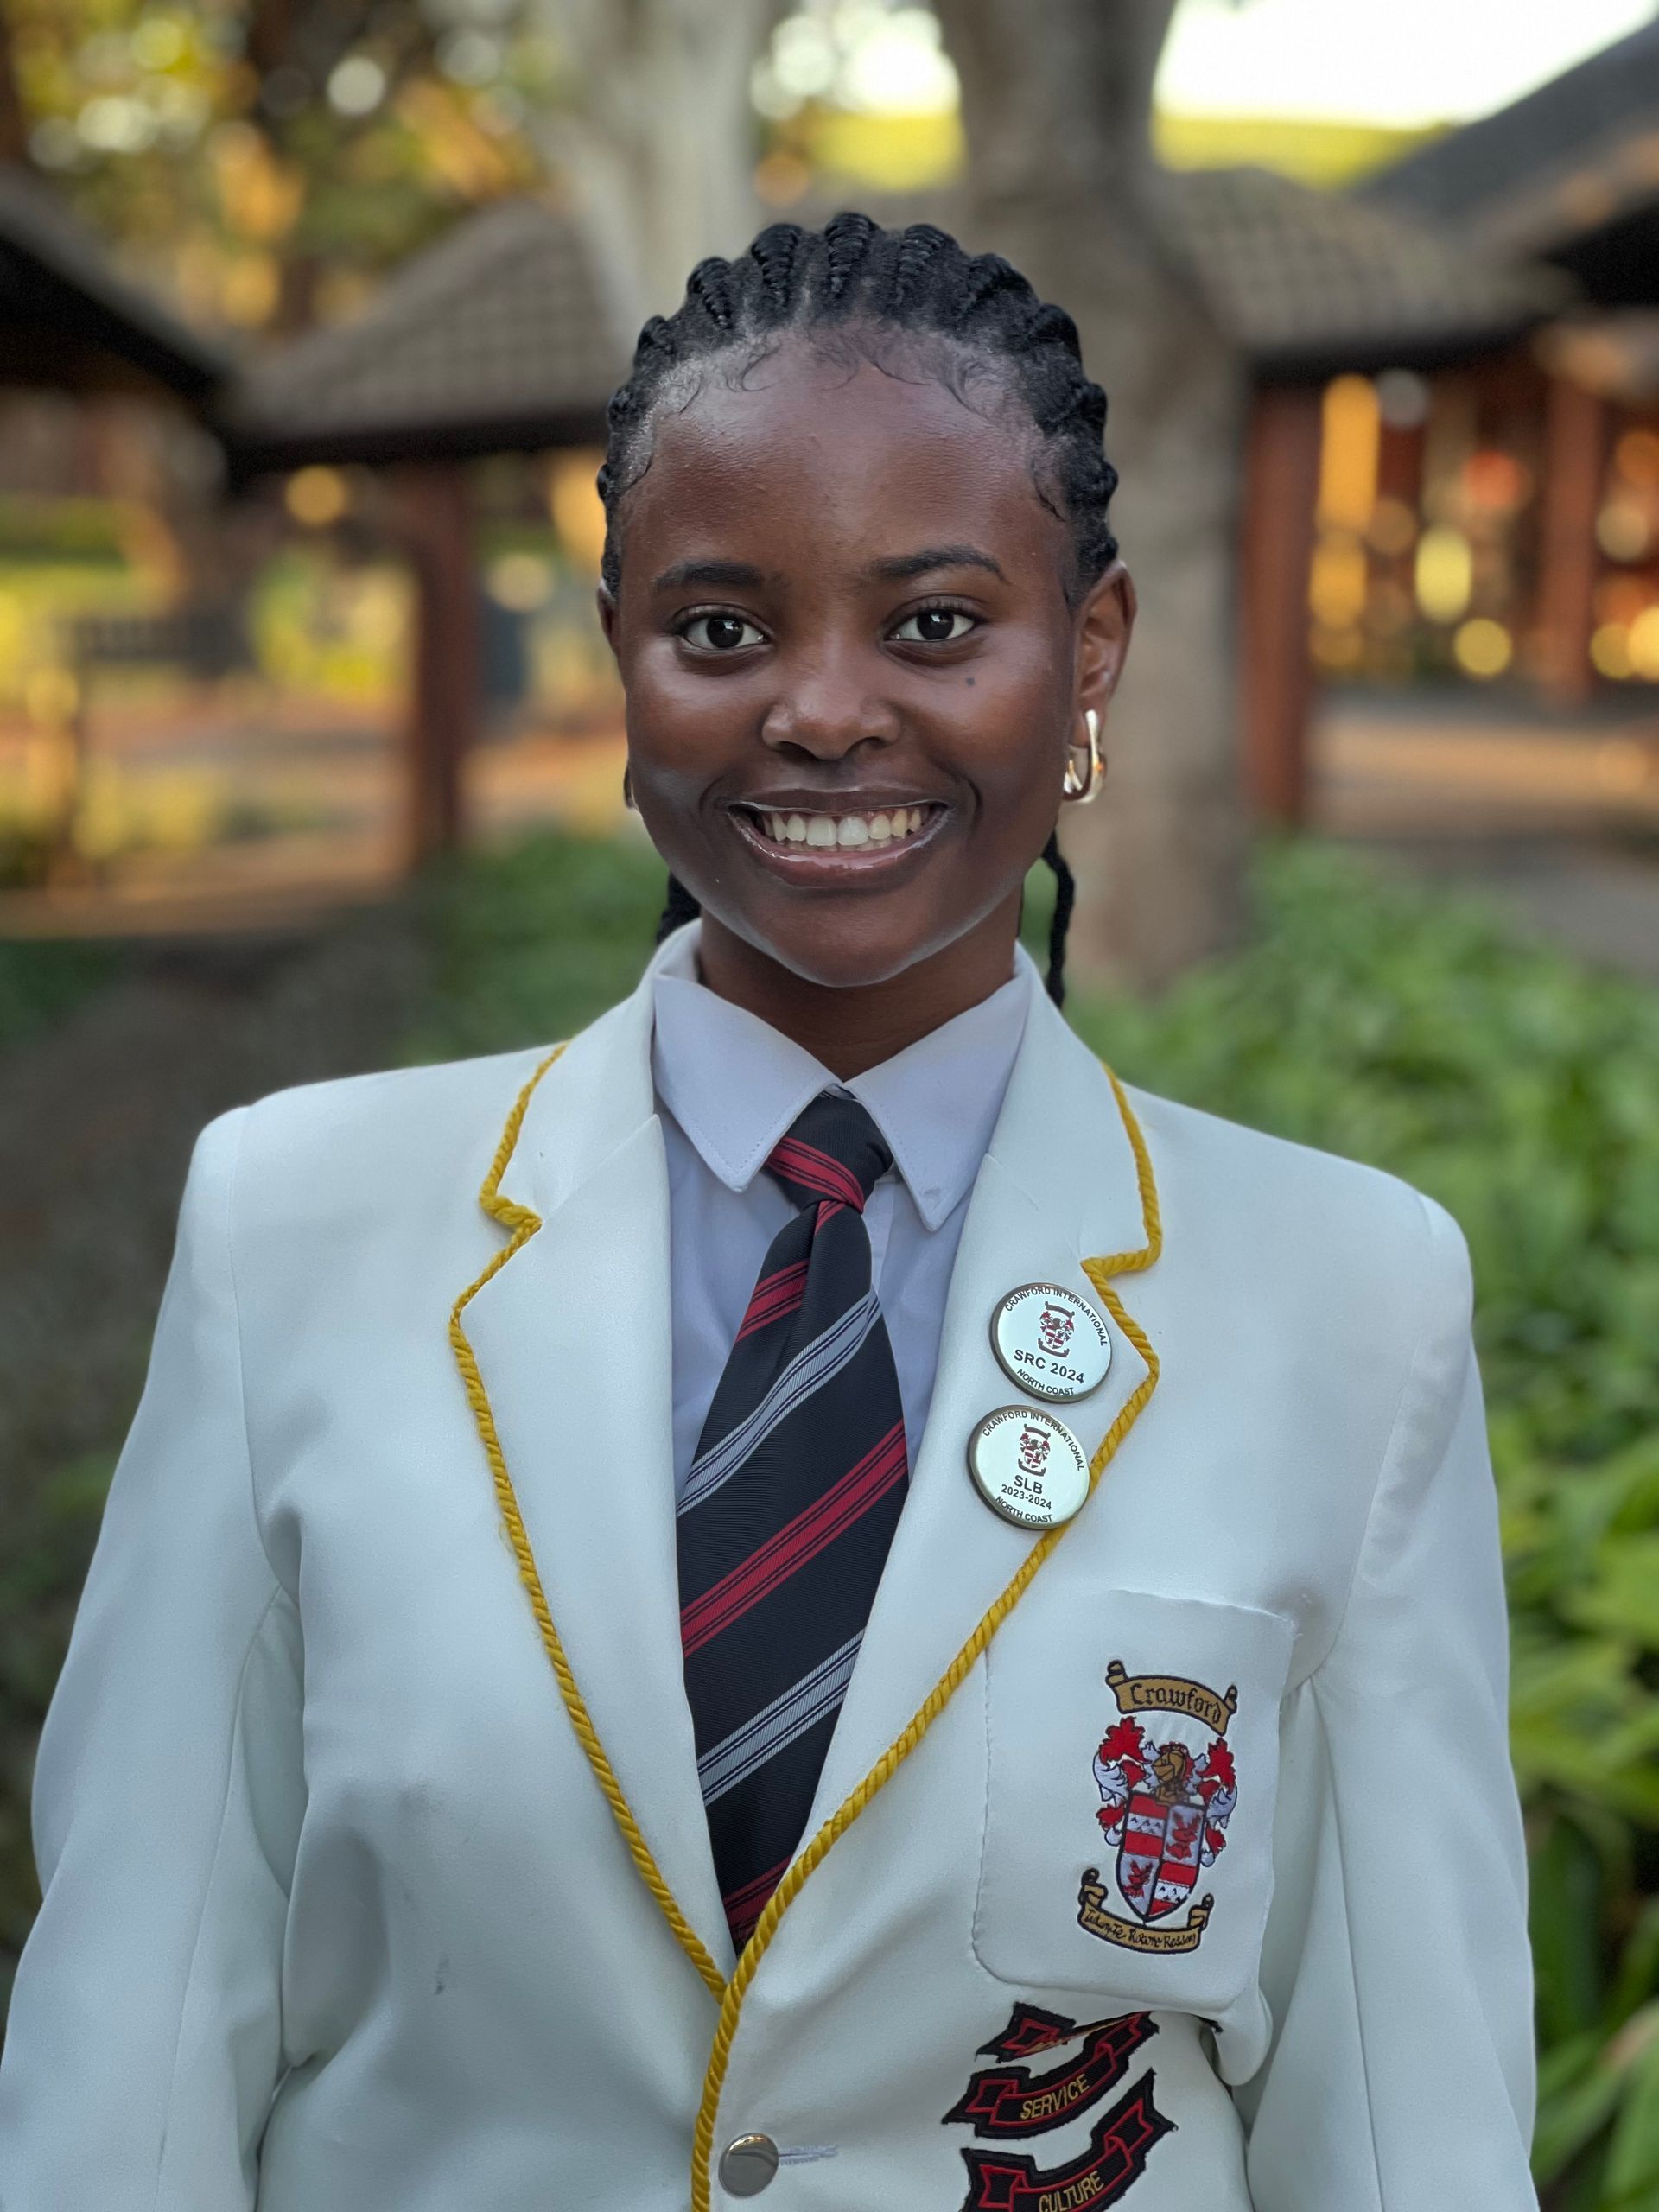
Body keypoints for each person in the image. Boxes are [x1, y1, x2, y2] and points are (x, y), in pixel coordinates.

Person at [0, 214, 1535, 2212]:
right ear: (621, 652)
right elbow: (136, 2036)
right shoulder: (294, 1228)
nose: (820, 710)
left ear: (1090, 651)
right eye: (721, 629)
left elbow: (1403, 2112)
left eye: (932, 625)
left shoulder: (1349, 1298)